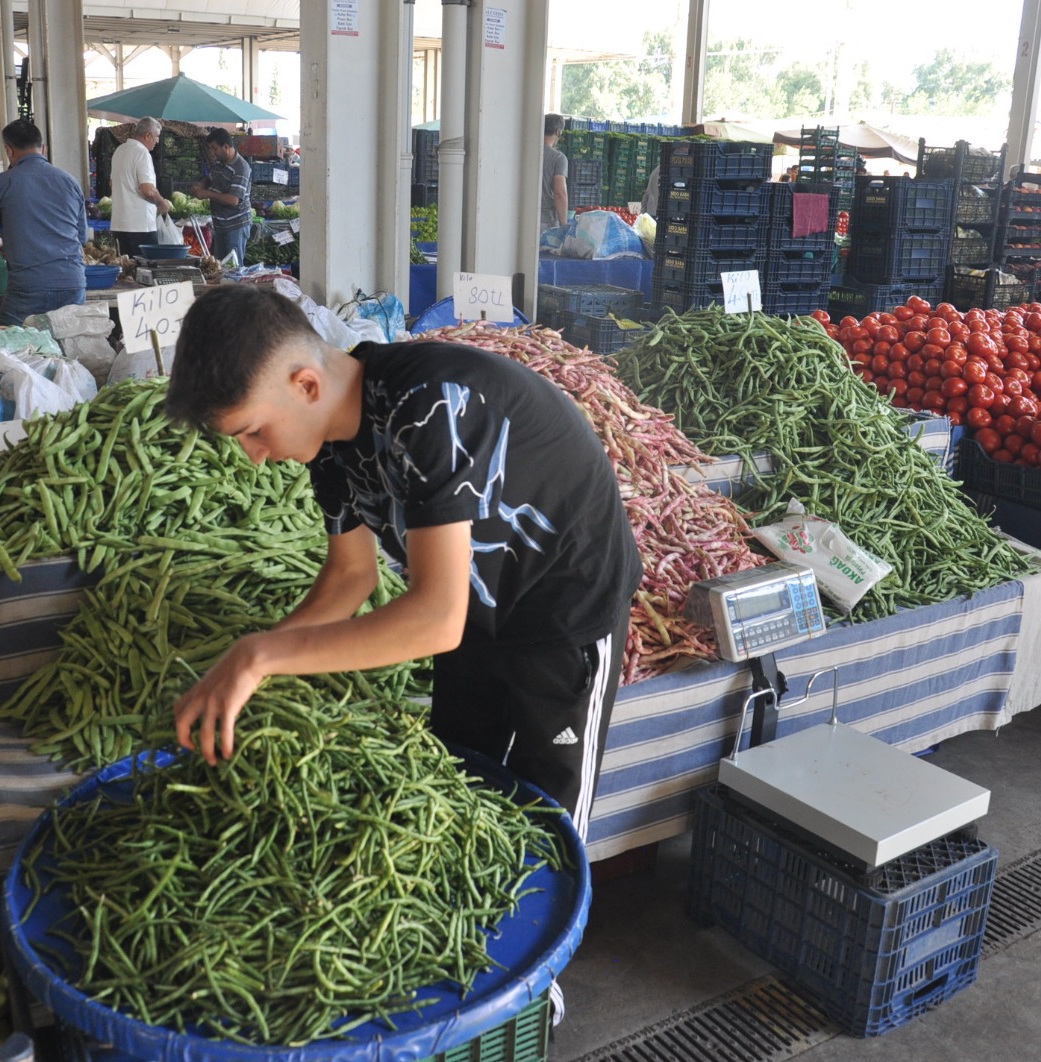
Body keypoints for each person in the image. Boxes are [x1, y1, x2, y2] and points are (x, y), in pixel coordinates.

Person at [165, 282, 642, 845]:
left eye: (253, 431)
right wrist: (251, 667)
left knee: (548, 822)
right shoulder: (332, 444)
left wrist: (261, 654)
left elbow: (436, 617)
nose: (255, 454)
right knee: (458, 784)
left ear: (307, 385)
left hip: (563, 611)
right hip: (474, 612)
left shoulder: (429, 408)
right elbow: (351, 576)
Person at [0, 118, 88, 326]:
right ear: (43, 148)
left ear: (9, 150)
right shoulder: (70, 181)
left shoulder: (2, 183)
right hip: (72, 283)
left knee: (19, 350)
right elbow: (82, 237)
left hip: (29, 285)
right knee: (70, 349)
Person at [110, 116, 173, 258]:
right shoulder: (142, 153)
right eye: (156, 137)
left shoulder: (120, 150)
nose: (157, 141)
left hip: (119, 224)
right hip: (140, 226)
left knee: (127, 272)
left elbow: (112, 183)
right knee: (144, 271)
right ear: (147, 135)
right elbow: (148, 190)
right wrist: (162, 203)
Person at [190, 128, 252, 265]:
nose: (212, 153)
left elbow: (233, 200)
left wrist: (206, 194)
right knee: (219, 267)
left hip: (236, 225)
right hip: (220, 224)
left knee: (234, 268)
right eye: (210, 149)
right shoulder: (219, 162)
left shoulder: (241, 167)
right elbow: (212, 178)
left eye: (215, 148)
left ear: (226, 147)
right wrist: (202, 184)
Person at [541, 113, 568, 230]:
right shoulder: (558, 158)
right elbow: (560, 193)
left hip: (522, 216)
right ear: (558, 132)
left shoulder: (526, 151)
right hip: (546, 222)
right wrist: (563, 225)